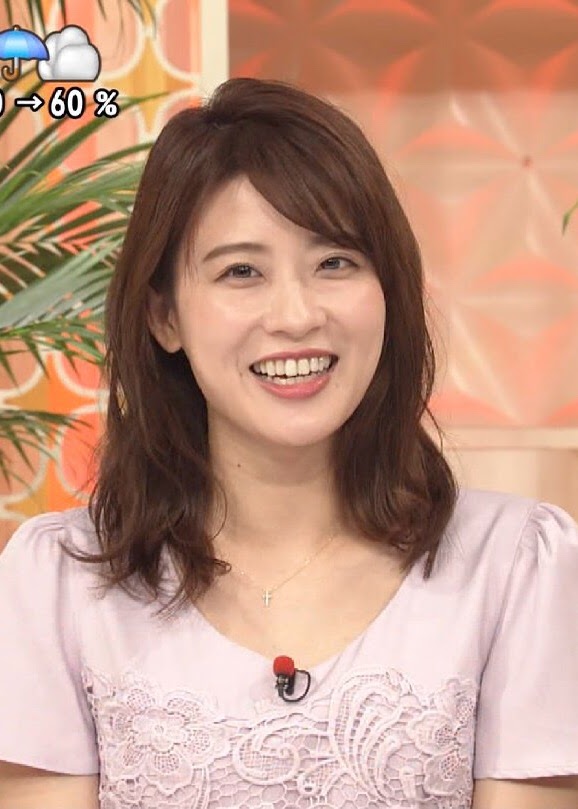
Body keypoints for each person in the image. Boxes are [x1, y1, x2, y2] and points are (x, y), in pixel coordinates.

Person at [0, 77, 577, 809]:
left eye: (335, 262)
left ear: (388, 291)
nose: (296, 315)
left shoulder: (518, 565)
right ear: (164, 317)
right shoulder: (59, 583)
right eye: (241, 271)